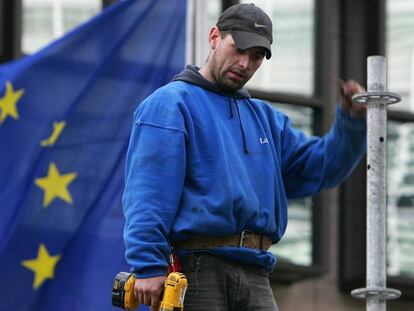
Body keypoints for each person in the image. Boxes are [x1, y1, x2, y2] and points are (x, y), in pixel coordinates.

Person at [122, 3, 366, 311]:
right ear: (214, 37)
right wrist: (148, 264)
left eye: (256, 56)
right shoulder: (171, 104)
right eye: (238, 49)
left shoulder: (267, 119)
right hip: (196, 270)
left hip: (257, 273)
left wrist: (351, 122)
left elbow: (320, 169)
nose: (245, 63)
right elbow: (148, 192)